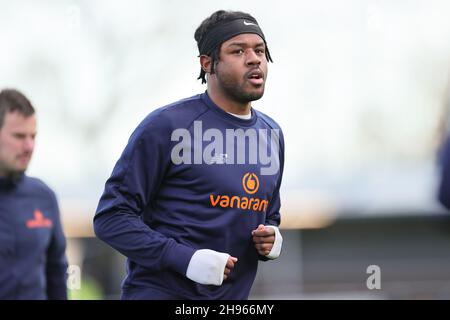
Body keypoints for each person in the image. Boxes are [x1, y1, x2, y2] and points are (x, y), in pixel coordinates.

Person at [94, 10, 284, 299]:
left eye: (259, 50)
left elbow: (269, 215)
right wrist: (184, 259)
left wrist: (271, 237)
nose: (254, 58)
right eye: (238, 51)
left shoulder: (272, 134)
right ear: (208, 63)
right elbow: (111, 218)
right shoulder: (167, 126)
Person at [0, 89, 68, 299]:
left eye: (33, 136)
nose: (29, 146)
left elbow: (57, 273)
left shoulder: (44, 197)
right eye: (19, 136)